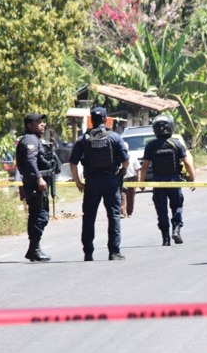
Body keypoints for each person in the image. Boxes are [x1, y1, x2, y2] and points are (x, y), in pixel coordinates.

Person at [69, 107, 129, 261]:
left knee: (89, 217)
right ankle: (114, 252)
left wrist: (78, 182)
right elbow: (125, 160)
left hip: (92, 182)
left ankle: (88, 253)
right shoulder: (115, 137)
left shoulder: (84, 139)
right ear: (104, 119)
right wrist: (123, 170)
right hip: (111, 181)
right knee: (114, 216)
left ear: (91, 120)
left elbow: (73, 163)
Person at [140, 114, 196, 246]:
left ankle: (165, 238)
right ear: (170, 127)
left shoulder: (151, 145)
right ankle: (176, 229)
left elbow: (144, 166)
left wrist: (141, 183)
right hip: (174, 181)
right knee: (176, 206)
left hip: (158, 182)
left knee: (161, 210)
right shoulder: (176, 144)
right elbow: (187, 163)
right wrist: (192, 179)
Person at [15, 112, 61, 262]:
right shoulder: (30, 140)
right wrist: (40, 179)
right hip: (36, 185)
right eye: (38, 122)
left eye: (42, 122)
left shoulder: (35, 139)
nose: (43, 124)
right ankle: (34, 249)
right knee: (39, 216)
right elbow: (30, 162)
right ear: (29, 125)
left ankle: (33, 249)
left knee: (37, 215)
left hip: (36, 185)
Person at [120, 141, 141, 218]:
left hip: (132, 179)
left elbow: (138, 169)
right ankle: (122, 212)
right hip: (122, 179)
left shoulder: (132, 156)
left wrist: (139, 179)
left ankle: (129, 212)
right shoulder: (117, 156)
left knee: (131, 196)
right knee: (122, 196)